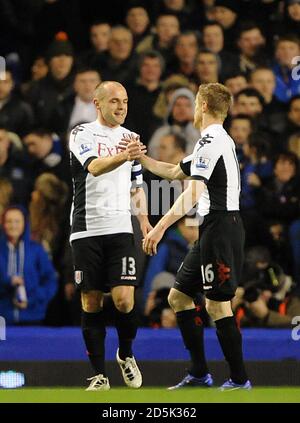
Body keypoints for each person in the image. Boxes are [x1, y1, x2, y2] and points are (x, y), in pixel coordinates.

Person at [126, 82, 251, 390]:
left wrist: (159, 227)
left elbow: (193, 191)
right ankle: (199, 373)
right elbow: (173, 172)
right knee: (179, 297)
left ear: (204, 106)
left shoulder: (211, 141)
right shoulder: (212, 143)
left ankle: (239, 380)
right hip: (213, 228)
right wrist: (140, 158)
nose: (195, 109)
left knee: (218, 305)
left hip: (221, 227)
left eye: (197, 103)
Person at [69, 81, 152, 391]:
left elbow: (136, 186)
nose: (121, 106)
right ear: (98, 103)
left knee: (124, 299)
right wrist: (125, 154)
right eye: (115, 101)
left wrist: (144, 221)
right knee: (91, 302)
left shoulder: (130, 138)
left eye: (125, 101)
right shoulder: (81, 133)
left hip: (120, 228)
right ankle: (97, 376)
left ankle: (126, 354)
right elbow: (93, 167)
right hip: (87, 228)